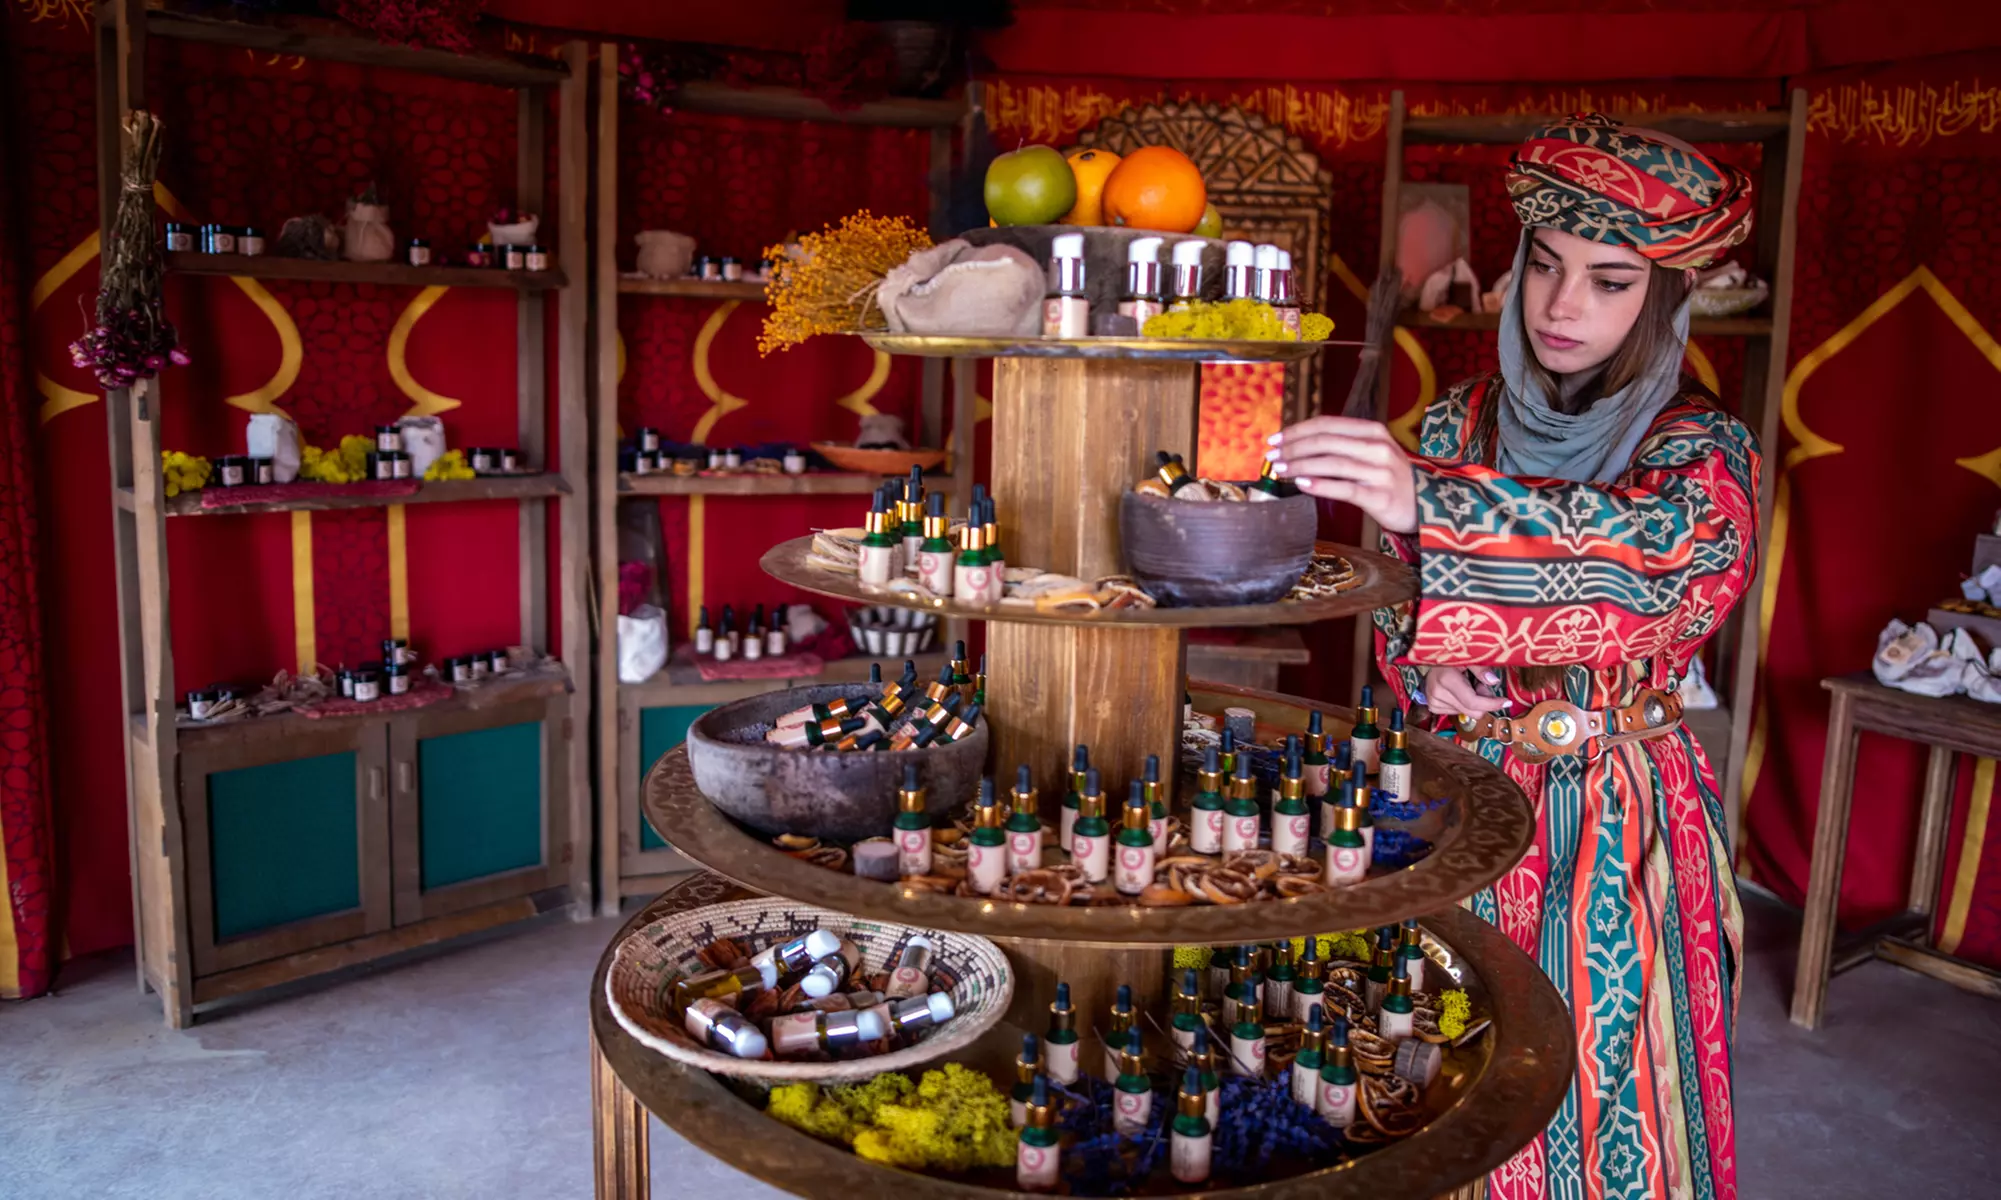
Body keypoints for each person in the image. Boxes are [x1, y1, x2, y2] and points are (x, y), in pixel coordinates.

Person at [1271, 114, 1759, 1200]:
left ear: (1668, 295)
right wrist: (1422, 661)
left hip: (1613, 817)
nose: (1561, 305)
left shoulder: (1700, 449)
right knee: (1423, 1058)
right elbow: (1401, 598)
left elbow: (1661, 576)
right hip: (1448, 801)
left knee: (1596, 1080)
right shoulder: (1455, 424)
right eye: (1544, 266)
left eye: (1610, 280)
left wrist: (1427, 504)